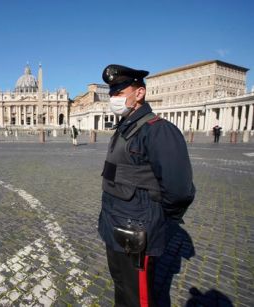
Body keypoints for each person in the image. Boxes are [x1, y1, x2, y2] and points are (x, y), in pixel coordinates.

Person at [98, 64, 195, 306]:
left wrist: (158, 220)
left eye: (119, 92)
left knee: (138, 298)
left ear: (139, 93)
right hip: (115, 226)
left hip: (137, 232)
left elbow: (180, 191)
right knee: (122, 288)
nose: (113, 98)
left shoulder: (159, 131)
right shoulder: (124, 128)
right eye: (112, 93)